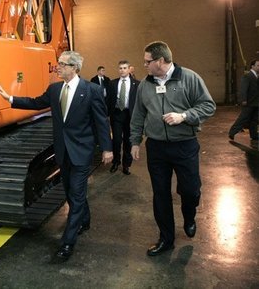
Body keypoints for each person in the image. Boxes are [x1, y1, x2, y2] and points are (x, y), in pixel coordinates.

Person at [0, 51, 113, 261]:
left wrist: (107, 148)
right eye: (58, 63)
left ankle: (67, 244)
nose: (57, 67)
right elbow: (35, 103)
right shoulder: (55, 89)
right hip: (62, 151)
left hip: (82, 151)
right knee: (71, 192)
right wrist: (9, 98)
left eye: (62, 64)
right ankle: (84, 220)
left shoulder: (92, 90)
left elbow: (101, 121)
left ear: (74, 68)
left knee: (76, 195)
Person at [129, 41, 216, 257]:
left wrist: (184, 116)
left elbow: (208, 106)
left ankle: (189, 215)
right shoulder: (145, 85)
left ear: (160, 61)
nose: (144, 65)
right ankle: (166, 238)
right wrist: (134, 141)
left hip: (184, 145)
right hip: (157, 147)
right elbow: (138, 114)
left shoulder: (189, 78)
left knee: (190, 189)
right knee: (160, 194)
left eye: (148, 61)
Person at [107, 60, 140, 175]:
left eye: (125, 68)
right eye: (120, 68)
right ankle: (116, 162)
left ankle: (126, 164)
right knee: (116, 140)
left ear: (129, 69)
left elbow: (139, 102)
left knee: (128, 141)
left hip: (130, 115)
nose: (122, 70)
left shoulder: (137, 84)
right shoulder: (112, 83)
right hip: (116, 114)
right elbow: (108, 101)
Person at [228, 60, 259, 143]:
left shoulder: (257, 76)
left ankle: (254, 135)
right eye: (258, 65)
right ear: (252, 66)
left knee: (254, 120)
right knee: (243, 118)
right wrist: (244, 99)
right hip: (249, 102)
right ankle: (232, 132)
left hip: (256, 102)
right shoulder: (248, 76)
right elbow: (243, 89)